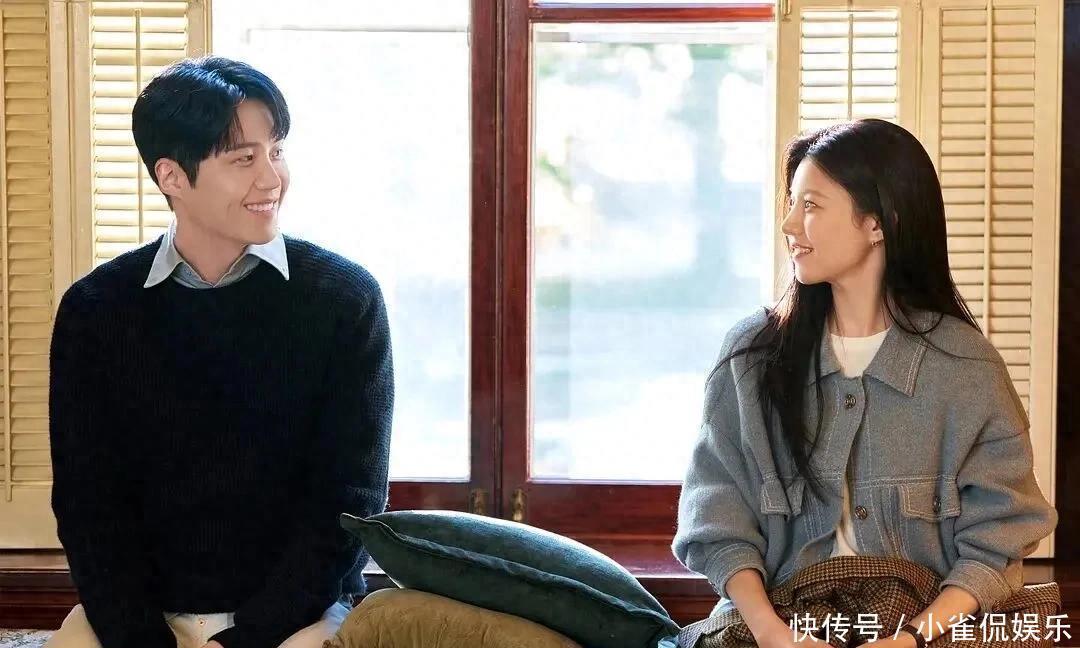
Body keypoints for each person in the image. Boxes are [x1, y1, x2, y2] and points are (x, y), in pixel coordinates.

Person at [46, 56, 394, 648]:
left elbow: (348, 504)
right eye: (243, 159)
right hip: (141, 618)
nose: (272, 178)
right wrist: (138, 637)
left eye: (276, 150)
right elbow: (89, 505)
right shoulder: (95, 311)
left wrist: (251, 636)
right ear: (172, 177)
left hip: (297, 617)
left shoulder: (345, 300)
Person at [672, 118, 1057, 647]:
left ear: (878, 223)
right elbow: (718, 520)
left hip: (928, 626)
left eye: (811, 205)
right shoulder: (752, 357)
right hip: (777, 622)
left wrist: (910, 639)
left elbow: (998, 538)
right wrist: (775, 635)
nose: (788, 223)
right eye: (792, 202)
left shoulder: (966, 366)